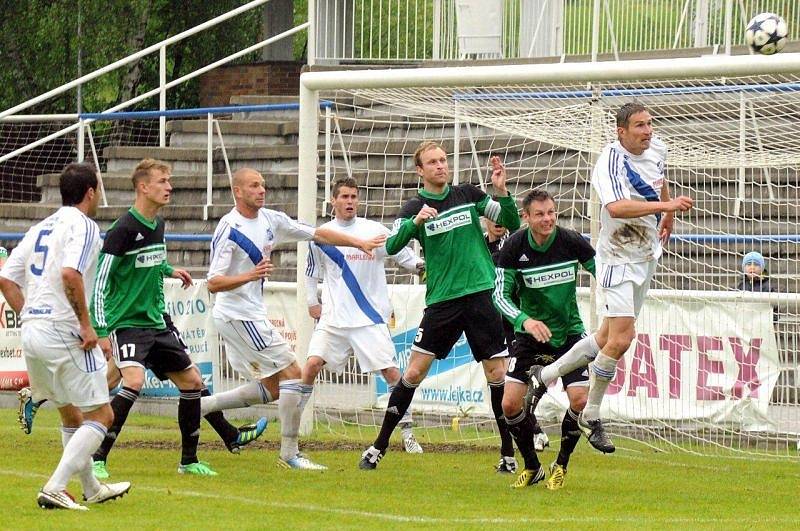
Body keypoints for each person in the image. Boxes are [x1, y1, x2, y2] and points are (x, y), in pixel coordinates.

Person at [530, 103, 693, 454]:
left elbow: (659, 181)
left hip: (646, 254)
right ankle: (590, 412)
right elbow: (616, 208)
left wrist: (668, 215)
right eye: (639, 126)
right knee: (622, 338)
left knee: (605, 336)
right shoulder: (610, 162)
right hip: (617, 258)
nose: (647, 131)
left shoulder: (658, 148)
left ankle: (542, 377)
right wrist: (666, 207)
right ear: (621, 132)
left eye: (650, 124)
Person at [90, 159, 266, 479]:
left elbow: (151, 262)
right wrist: (101, 329)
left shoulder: (157, 224)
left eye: (169, 181)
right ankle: (97, 457)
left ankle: (188, 461)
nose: (169, 187)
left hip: (155, 322)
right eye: (162, 181)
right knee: (132, 381)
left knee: (193, 382)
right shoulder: (122, 230)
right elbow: (100, 282)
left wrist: (169, 269)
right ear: (144, 187)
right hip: (127, 323)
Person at [202, 168, 386, 470]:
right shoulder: (229, 228)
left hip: (247, 315)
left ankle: (205, 405)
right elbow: (213, 282)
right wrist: (250, 274)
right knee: (295, 374)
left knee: (275, 387)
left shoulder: (271, 220)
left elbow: (317, 233)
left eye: (263, 185)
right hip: (238, 316)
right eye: (254, 186)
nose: (262, 190)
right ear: (237, 191)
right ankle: (289, 453)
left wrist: (358, 243)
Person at [359, 141, 521, 470]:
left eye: (443, 160)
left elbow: (511, 221)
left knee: (496, 373)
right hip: (442, 301)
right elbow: (391, 245)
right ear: (420, 170)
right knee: (414, 371)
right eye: (432, 162)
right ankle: (379, 447)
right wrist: (415, 223)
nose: (440, 166)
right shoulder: (414, 207)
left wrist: (502, 191)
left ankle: (507, 453)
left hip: (480, 294)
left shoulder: (468, 195)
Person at [0, 162, 130, 510]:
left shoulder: (40, 226)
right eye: (98, 190)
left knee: (71, 414)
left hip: (33, 331)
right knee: (102, 416)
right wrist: (87, 326)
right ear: (91, 192)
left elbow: (6, 279)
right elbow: (71, 275)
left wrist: (29, 313)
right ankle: (55, 486)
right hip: (65, 332)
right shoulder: (85, 226)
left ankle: (91, 487)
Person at [303, 177, 425, 455]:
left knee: (393, 373)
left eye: (353, 197)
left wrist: (420, 266)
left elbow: (401, 254)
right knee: (309, 367)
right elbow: (311, 272)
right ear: (333, 200)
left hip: (369, 318)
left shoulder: (374, 230)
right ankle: (292, 432)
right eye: (344, 197)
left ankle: (407, 433)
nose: (349, 202)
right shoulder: (322, 234)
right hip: (333, 318)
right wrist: (312, 302)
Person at [493, 190, 598, 489]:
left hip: (569, 335)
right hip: (530, 337)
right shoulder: (514, 246)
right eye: (540, 214)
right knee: (511, 405)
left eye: (551, 212)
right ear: (526, 217)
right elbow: (498, 294)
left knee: (579, 399)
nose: (548, 218)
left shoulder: (570, 241)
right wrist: (523, 320)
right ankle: (533, 466)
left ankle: (561, 463)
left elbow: (603, 271)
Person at [484, 217, 549, 458]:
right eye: (492, 217)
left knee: (517, 381)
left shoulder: (514, 245)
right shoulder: (480, 246)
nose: (497, 223)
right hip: (491, 321)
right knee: (503, 383)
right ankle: (530, 435)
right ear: (484, 220)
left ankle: (533, 434)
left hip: (516, 323)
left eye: (502, 218)